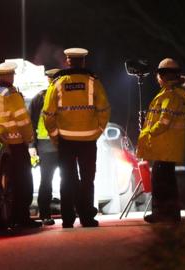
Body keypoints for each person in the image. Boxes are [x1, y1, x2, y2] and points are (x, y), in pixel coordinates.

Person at [42, 48, 110, 228]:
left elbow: (48, 114)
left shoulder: (57, 83)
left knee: (67, 179)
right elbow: (104, 109)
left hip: (66, 140)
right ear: (83, 62)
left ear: (68, 61)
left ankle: (67, 219)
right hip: (89, 140)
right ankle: (87, 217)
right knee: (88, 179)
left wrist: (55, 136)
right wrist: (98, 131)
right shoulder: (93, 82)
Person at [0, 62, 41, 228]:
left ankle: (10, 216)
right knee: (23, 181)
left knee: (7, 184)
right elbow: (22, 120)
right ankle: (22, 217)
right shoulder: (11, 94)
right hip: (16, 143)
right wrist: (29, 139)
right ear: (9, 76)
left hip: (0, 144)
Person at [137, 58, 185, 223]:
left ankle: (163, 213)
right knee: (167, 180)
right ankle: (169, 213)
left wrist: (147, 132)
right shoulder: (180, 94)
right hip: (170, 146)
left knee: (161, 182)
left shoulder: (170, 95)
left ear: (162, 76)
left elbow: (163, 122)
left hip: (165, 146)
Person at [28, 68, 61, 226]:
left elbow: (31, 123)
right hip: (56, 144)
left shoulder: (40, 97)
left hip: (48, 145)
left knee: (47, 181)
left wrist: (33, 145)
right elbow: (31, 122)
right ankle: (66, 212)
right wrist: (32, 145)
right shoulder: (47, 97)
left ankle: (46, 214)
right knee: (66, 179)